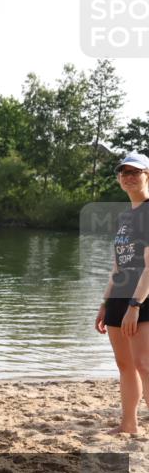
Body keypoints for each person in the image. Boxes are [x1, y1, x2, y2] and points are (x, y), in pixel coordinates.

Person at [95, 152, 149, 435]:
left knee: (144, 364)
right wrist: (105, 302)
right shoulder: (125, 216)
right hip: (119, 296)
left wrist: (135, 304)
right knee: (125, 364)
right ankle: (129, 426)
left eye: (135, 172)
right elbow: (118, 265)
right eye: (123, 172)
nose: (128, 177)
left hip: (142, 298)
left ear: (147, 175)